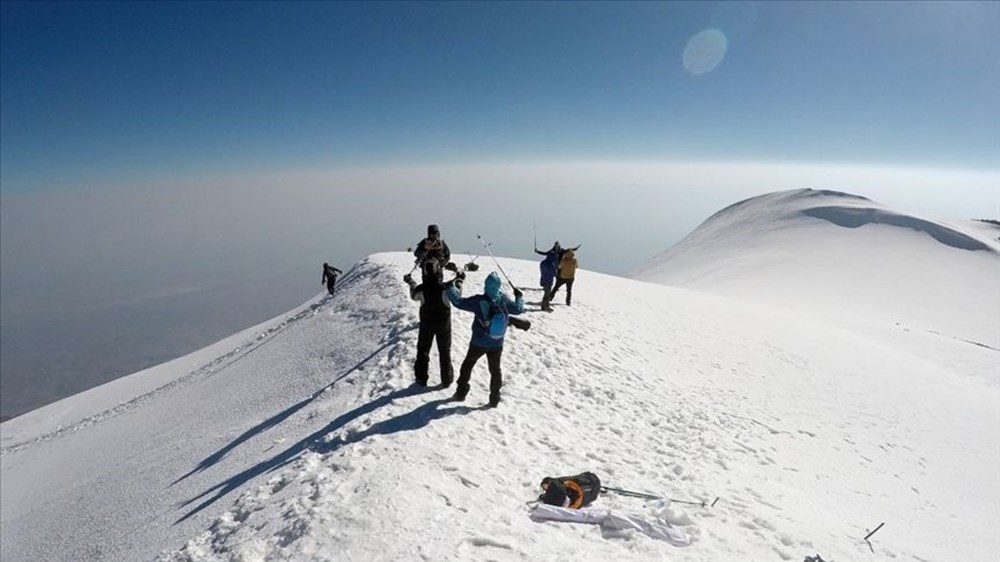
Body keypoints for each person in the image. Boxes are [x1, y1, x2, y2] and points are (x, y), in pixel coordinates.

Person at [446, 272, 525, 408]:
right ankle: (494, 399)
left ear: (486, 286)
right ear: (499, 286)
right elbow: (518, 309)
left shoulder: (479, 301)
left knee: (468, 365)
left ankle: (461, 393)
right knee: (495, 370)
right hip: (497, 342)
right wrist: (519, 297)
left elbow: (458, 302)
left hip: (478, 342)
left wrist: (450, 288)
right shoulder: (504, 300)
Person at [403, 260, 457, 387]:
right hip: (444, 325)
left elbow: (413, 295)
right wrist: (459, 280)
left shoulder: (421, 289)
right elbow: (457, 294)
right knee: (444, 351)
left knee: (423, 350)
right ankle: (446, 379)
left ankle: (421, 378)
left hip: (426, 324)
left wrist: (410, 281)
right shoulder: (446, 288)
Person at [535, 241, 580, 311]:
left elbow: (567, 251)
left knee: (556, 285)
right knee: (566, 288)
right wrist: (538, 251)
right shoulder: (572, 260)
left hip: (559, 268)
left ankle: (550, 298)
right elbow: (569, 252)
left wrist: (575, 248)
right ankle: (566, 302)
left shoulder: (558, 252)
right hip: (562, 271)